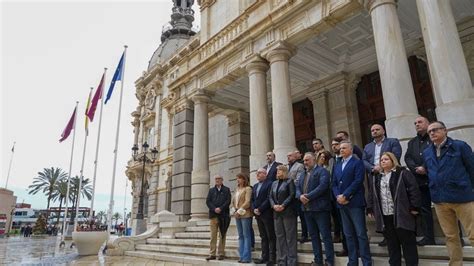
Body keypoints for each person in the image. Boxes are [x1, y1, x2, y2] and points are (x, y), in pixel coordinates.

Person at [423, 121, 474, 266]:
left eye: (435, 130)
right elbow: (430, 172)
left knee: (473, 234)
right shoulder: (427, 152)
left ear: (445, 130)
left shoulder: (459, 146)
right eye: (430, 132)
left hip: (462, 197)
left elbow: (472, 168)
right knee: (451, 236)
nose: (432, 133)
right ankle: (456, 263)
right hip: (440, 200)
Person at [367, 152, 421, 266]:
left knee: (408, 245)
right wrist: (370, 208)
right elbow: (372, 194)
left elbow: (414, 190)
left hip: (402, 214)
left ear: (393, 161)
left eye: (386, 159)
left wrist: (414, 207)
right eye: (381, 160)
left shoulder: (402, 173)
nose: (383, 161)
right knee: (392, 246)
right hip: (385, 215)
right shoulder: (377, 177)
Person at [332, 141, 372, 266]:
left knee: (360, 233)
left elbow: (358, 181)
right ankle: (352, 260)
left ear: (351, 150)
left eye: (344, 148)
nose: (341, 150)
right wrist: (338, 196)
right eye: (340, 148)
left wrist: (346, 195)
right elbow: (333, 183)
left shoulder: (357, 162)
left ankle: (366, 261)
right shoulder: (337, 165)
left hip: (354, 202)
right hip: (341, 203)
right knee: (348, 234)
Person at [363, 123, 402, 247]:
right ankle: (387, 235)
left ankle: (399, 233)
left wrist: (382, 166)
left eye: (377, 129)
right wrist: (373, 168)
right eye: (372, 130)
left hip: (391, 176)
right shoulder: (368, 146)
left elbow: (396, 155)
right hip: (374, 177)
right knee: (379, 206)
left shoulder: (392, 141)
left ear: (383, 131)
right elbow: (364, 160)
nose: (374, 131)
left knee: (393, 204)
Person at [297, 152, 334, 266]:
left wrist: (308, 196)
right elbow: (297, 187)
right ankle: (318, 260)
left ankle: (329, 261)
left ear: (314, 160)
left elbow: (322, 187)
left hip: (320, 209)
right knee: (313, 236)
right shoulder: (302, 174)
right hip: (307, 210)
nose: (305, 163)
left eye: (307, 160)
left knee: (326, 235)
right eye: (304, 161)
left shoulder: (322, 171)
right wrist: (300, 196)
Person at [404, 116, 436, 246]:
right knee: (425, 210)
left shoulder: (433, 138)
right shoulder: (412, 142)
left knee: (446, 207)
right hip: (420, 181)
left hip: (434, 179)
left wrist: (425, 167)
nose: (417, 124)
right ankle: (429, 237)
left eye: (420, 122)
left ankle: (457, 237)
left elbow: (434, 154)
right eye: (415, 123)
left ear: (428, 124)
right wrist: (416, 168)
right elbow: (408, 157)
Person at [269, 165, 297, 266]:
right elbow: (270, 196)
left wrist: (283, 205)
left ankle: (291, 261)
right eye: (277, 171)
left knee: (290, 237)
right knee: (280, 237)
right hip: (276, 213)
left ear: (284, 171)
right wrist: (274, 205)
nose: (277, 172)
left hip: (288, 212)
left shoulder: (289, 181)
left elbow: (292, 195)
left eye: (279, 170)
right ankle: (281, 260)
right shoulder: (274, 183)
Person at [252, 168, 276, 265]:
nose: (257, 174)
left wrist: (260, 209)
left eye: (260, 173)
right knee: (263, 236)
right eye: (257, 173)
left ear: (265, 174)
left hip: (266, 213)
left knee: (270, 236)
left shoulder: (270, 184)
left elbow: (268, 198)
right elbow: (252, 199)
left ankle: (272, 258)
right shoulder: (255, 186)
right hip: (257, 214)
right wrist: (254, 209)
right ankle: (264, 257)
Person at [205, 174, 231, 261]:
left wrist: (221, 208)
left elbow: (228, 201)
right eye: (216, 179)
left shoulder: (226, 190)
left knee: (222, 235)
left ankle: (221, 253)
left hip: (223, 216)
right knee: (213, 235)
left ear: (222, 180)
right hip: (213, 216)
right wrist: (214, 209)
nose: (217, 180)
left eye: (219, 179)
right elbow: (208, 201)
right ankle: (212, 254)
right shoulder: (211, 190)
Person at [287, 151, 308, 243]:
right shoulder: (287, 167)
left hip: (297, 194)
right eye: (287, 156)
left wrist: (288, 185)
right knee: (292, 216)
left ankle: (305, 234)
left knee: (302, 216)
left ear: (295, 157)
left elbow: (299, 180)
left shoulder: (299, 166)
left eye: (290, 155)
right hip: (289, 195)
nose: (288, 157)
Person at [232, 173, 253, 263]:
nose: (238, 180)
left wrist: (239, 211)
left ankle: (246, 257)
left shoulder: (248, 189)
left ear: (244, 180)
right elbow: (233, 202)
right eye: (237, 178)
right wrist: (233, 211)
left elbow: (247, 202)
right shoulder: (236, 189)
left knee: (246, 235)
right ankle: (241, 256)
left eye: (240, 178)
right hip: (237, 214)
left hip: (245, 214)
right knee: (240, 236)